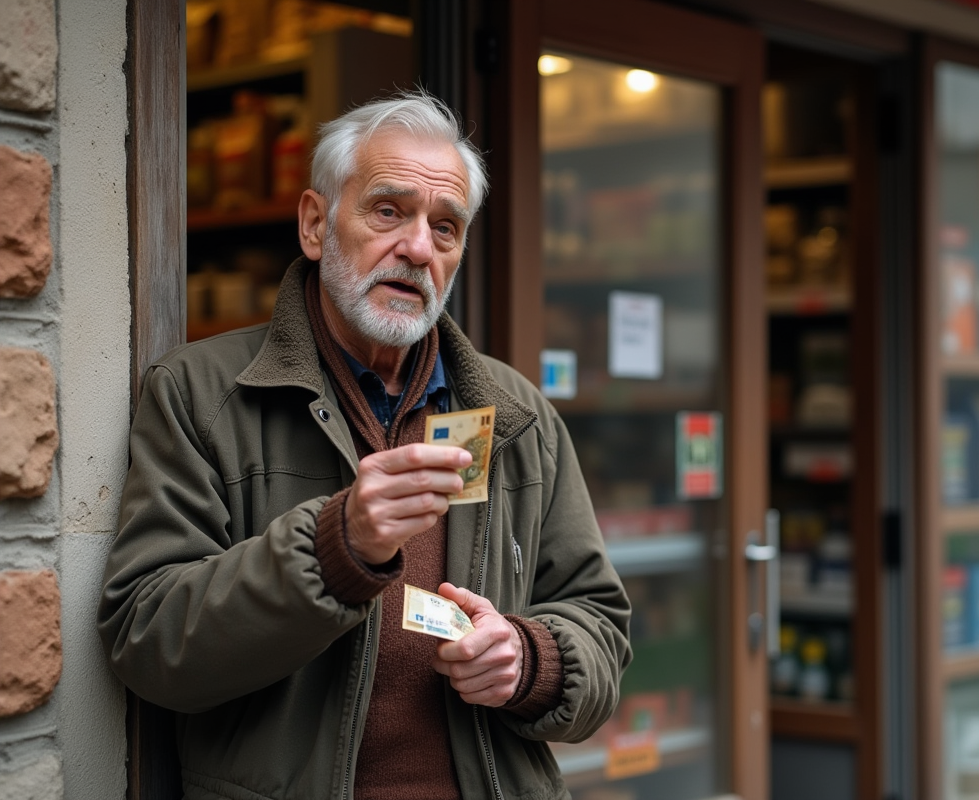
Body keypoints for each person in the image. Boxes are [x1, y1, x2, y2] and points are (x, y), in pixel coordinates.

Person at [97, 91, 631, 800]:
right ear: (315, 224)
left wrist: (531, 661)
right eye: (388, 211)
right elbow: (148, 639)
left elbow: (600, 627)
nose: (418, 248)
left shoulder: (516, 414)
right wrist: (334, 548)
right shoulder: (199, 394)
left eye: (445, 227)